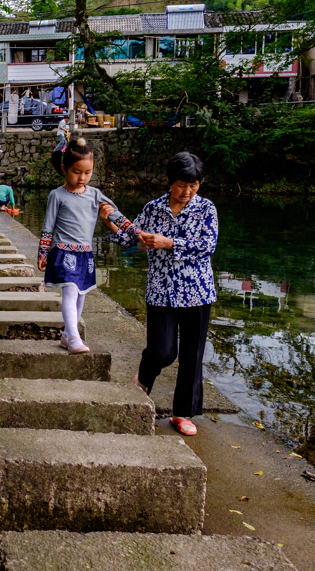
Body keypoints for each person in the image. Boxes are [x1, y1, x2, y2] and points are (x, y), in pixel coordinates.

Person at [102, 152, 218, 436]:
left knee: (192, 355)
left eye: (193, 185)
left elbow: (207, 246)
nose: (187, 192)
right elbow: (129, 237)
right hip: (161, 289)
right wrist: (109, 218)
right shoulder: (153, 209)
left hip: (197, 292)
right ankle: (143, 377)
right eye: (182, 185)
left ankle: (182, 413)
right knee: (163, 350)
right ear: (169, 181)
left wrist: (169, 243)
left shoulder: (206, 209)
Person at [38, 138, 136, 354]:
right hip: (64, 253)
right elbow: (48, 226)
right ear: (64, 168)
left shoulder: (95, 195)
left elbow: (115, 213)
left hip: (85, 254)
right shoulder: (57, 195)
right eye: (76, 172)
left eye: (87, 172)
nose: (82, 178)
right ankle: (74, 337)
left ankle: (67, 334)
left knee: (81, 293)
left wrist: (134, 232)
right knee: (71, 292)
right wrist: (43, 252)